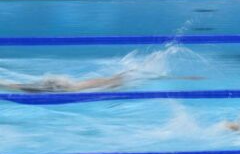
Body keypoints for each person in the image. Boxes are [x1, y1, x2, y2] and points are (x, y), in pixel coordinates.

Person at [0, 71, 202, 93]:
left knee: (16, 86)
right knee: (19, 87)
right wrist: (184, 77)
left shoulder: (112, 80)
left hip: (62, 84)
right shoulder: (117, 80)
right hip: (63, 86)